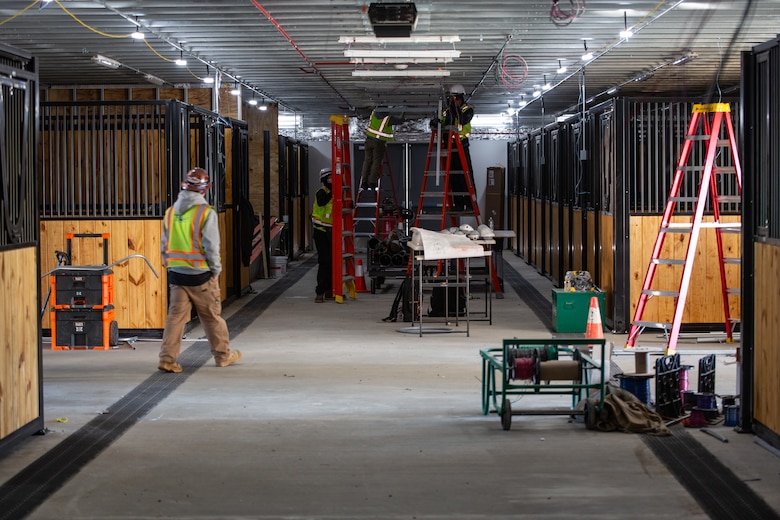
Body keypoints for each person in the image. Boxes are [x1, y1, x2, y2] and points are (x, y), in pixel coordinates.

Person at [158, 167, 242, 372]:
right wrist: (216, 270)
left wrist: (171, 266)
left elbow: (164, 245)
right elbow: (211, 246)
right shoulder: (206, 212)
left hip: (177, 274)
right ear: (204, 190)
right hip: (201, 275)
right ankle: (223, 356)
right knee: (212, 316)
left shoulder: (170, 213)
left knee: (175, 318)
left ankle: (167, 359)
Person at [440, 84, 475, 211]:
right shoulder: (446, 112)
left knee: (466, 176)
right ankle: (459, 204)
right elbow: (442, 122)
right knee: (454, 178)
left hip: (462, 146)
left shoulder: (467, 110)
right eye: (451, 98)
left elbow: (463, 120)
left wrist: (455, 110)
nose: (453, 101)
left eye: (455, 98)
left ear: (461, 98)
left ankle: (471, 203)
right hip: (450, 147)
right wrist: (436, 122)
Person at [360, 108, 404, 191]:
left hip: (368, 140)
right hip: (378, 142)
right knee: (376, 162)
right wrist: (403, 110)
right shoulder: (388, 118)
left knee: (367, 161)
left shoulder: (374, 112)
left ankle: (364, 182)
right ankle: (372, 182)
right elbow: (400, 120)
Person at [311, 167, 334, 303]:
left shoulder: (336, 193)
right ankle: (320, 291)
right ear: (324, 180)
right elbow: (322, 202)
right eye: (329, 178)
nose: (332, 180)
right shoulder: (322, 192)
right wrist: (334, 191)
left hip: (332, 231)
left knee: (332, 262)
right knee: (324, 261)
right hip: (321, 231)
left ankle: (330, 289)